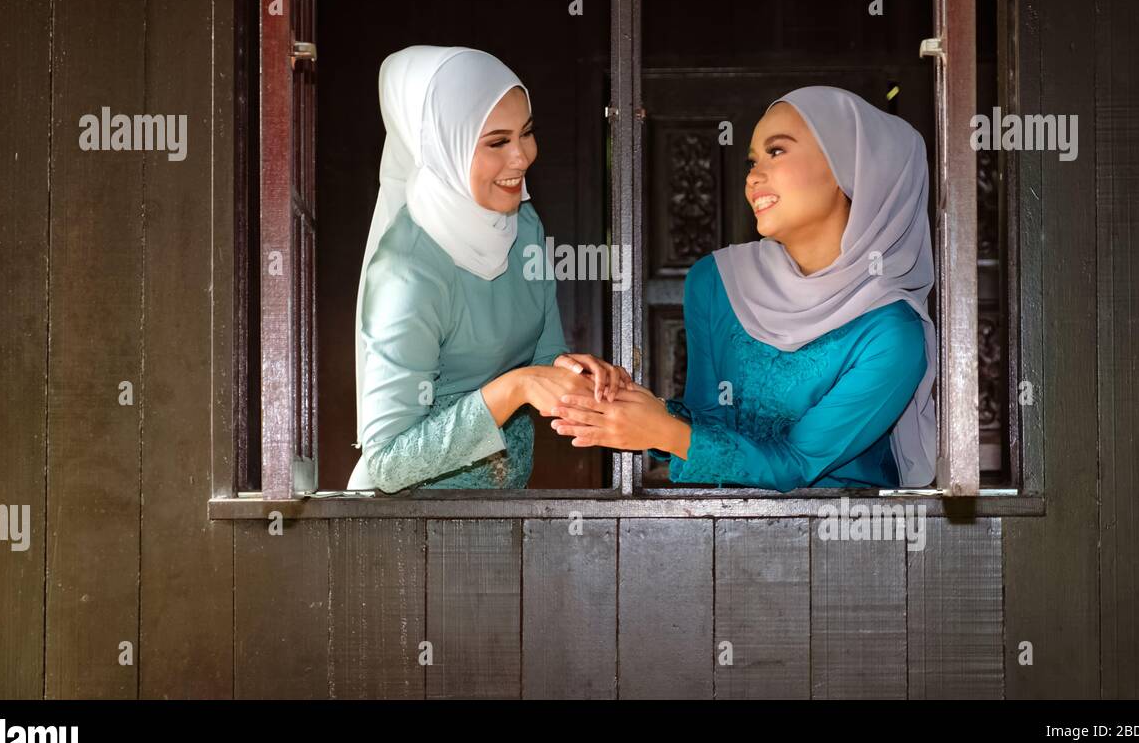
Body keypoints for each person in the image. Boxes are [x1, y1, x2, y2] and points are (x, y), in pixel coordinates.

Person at [552, 85, 936, 490]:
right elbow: (708, 419)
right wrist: (630, 406)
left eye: (777, 151)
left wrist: (664, 431)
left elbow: (798, 463)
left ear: (852, 168)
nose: (753, 176)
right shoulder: (717, 281)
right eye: (752, 161)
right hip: (717, 526)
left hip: (838, 539)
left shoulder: (891, 334)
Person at [349, 45, 628, 492]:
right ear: (444, 145)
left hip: (501, 513)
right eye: (498, 142)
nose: (522, 157)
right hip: (405, 528)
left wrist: (576, 373)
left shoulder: (523, 225)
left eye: (527, 133)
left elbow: (542, 355)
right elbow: (386, 463)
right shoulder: (407, 272)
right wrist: (514, 388)